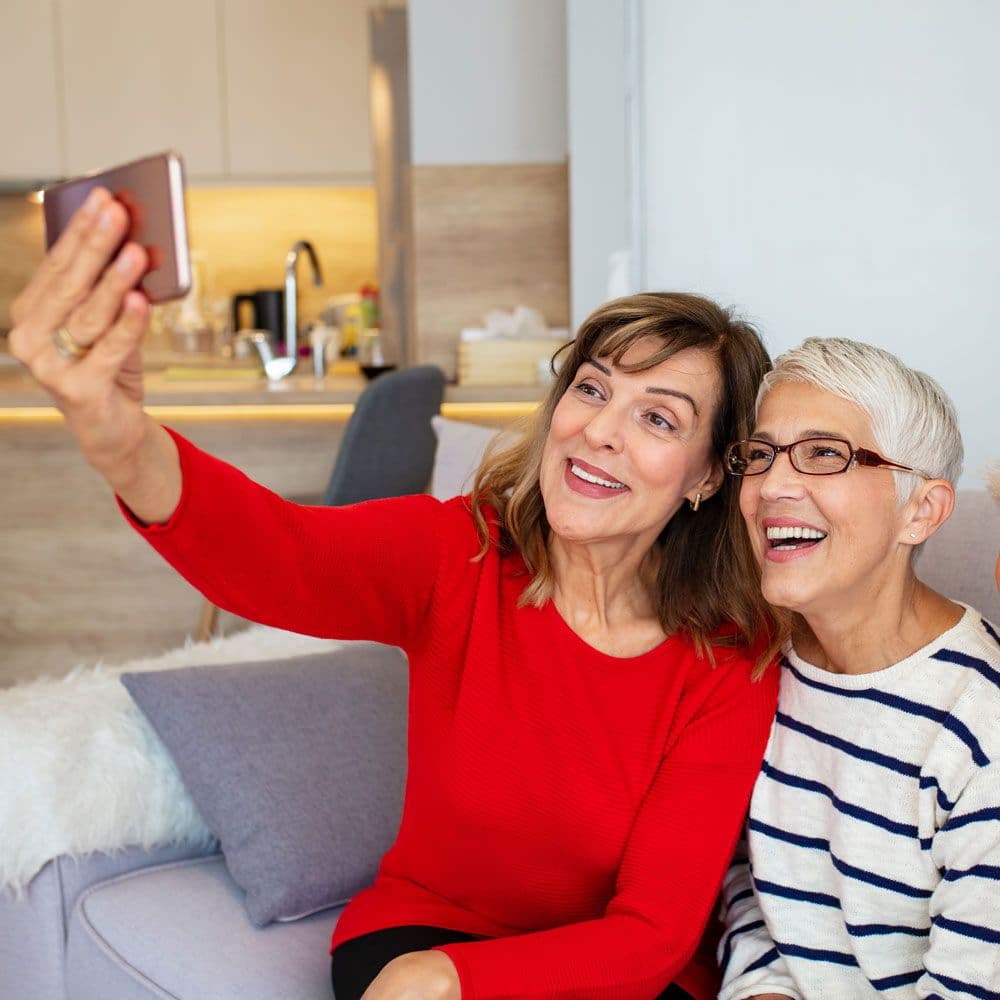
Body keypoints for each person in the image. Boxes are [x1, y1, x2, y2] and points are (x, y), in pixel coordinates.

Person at [10, 187, 782, 1000]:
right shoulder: (462, 551)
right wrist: (124, 442)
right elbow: (276, 553)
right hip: (420, 933)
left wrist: (456, 980)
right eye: (592, 390)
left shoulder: (728, 661)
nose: (600, 429)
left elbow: (652, 937)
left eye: (658, 419)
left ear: (705, 475)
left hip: (605, 973)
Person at [718, 337, 1000, 999]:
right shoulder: (755, 671)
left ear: (921, 511)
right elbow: (744, 884)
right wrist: (764, 988)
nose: (772, 488)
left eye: (825, 454)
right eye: (761, 455)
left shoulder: (981, 733)